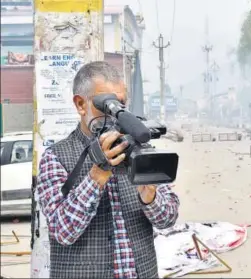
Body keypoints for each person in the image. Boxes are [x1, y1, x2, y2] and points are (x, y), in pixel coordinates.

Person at [36, 61, 180, 278]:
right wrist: (96, 175)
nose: (114, 114)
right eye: (106, 105)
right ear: (80, 104)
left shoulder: (138, 150)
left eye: (121, 104)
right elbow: (62, 231)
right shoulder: (55, 157)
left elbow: (168, 219)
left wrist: (150, 198)